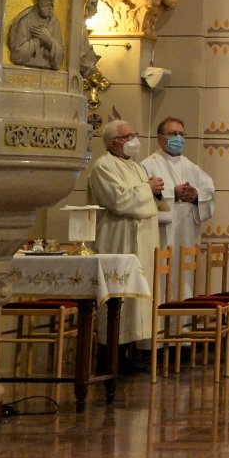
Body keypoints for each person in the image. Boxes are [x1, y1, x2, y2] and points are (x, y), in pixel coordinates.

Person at [85, 119, 159, 371]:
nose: (133, 140)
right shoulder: (102, 166)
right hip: (117, 239)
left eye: (134, 134)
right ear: (112, 142)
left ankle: (129, 354)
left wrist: (152, 191)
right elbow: (119, 200)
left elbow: (141, 196)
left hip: (138, 242)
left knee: (136, 301)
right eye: (128, 137)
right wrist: (148, 189)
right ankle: (110, 358)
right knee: (118, 297)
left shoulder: (135, 167)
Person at [141, 116, 216, 298]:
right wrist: (173, 192)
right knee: (162, 279)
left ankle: (184, 323)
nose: (178, 138)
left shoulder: (191, 166)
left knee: (184, 278)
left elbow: (210, 191)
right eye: (173, 134)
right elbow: (142, 195)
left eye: (182, 134)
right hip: (162, 233)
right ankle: (158, 322)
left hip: (187, 233)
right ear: (160, 138)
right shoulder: (147, 165)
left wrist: (196, 196)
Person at [6, 0, 66, 69]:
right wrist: (38, 40)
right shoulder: (25, 19)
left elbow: (59, 62)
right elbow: (17, 56)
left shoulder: (54, 22)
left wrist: (49, 42)